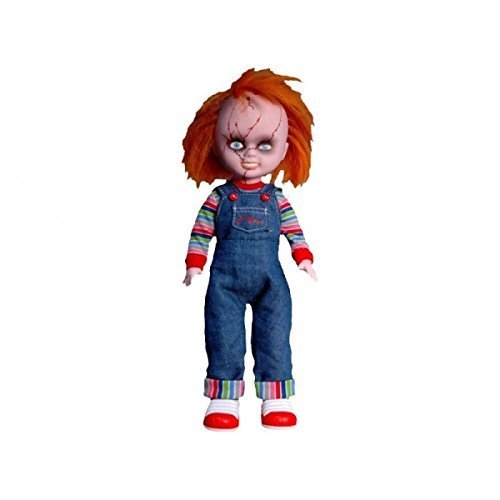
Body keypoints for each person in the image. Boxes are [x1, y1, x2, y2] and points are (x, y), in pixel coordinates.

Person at [182, 68, 317, 430]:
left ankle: (276, 395)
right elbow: (201, 231)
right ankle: (224, 396)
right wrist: (194, 262)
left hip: (271, 281)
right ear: (214, 142)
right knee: (223, 334)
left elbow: (293, 230)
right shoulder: (219, 198)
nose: (250, 156)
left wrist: (303, 257)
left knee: (275, 334)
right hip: (224, 282)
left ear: (286, 148)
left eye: (265, 145)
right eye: (237, 144)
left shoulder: (278, 199)